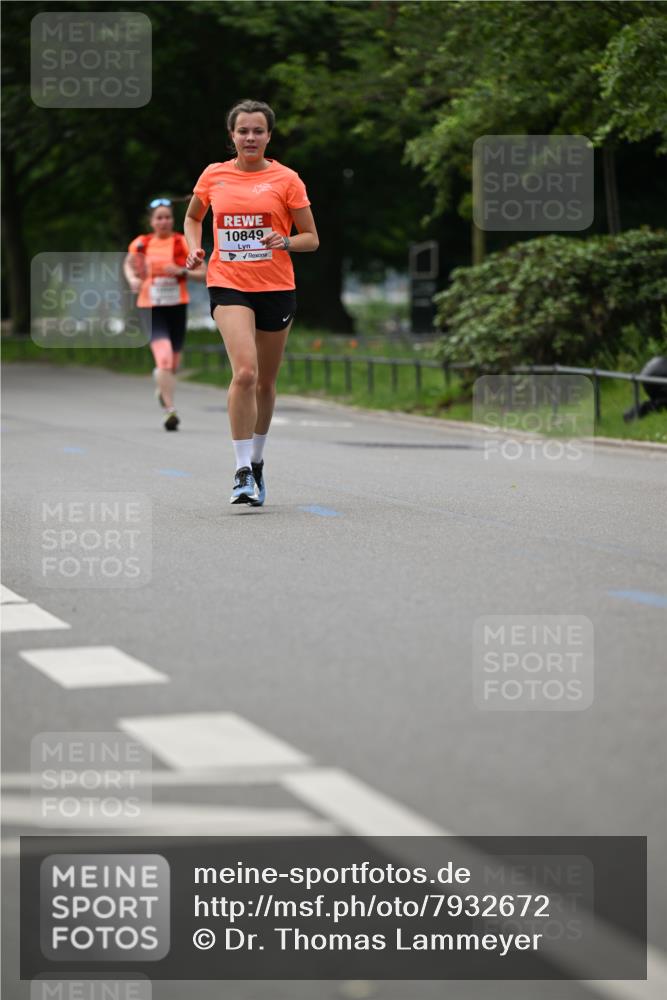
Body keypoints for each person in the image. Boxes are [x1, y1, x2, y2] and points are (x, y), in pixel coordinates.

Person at [183, 99, 319, 504]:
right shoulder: (213, 175)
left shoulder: (287, 179)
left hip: (276, 287)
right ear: (232, 136)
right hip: (228, 284)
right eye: (243, 131)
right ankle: (241, 470)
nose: (250, 137)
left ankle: (257, 461)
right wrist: (194, 248)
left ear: (269, 136)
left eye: (258, 131)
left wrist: (286, 240)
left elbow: (311, 238)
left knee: (265, 381)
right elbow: (193, 217)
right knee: (244, 372)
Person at [124, 198, 205, 431]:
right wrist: (132, 278)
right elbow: (129, 264)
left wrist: (181, 271)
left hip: (177, 306)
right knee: (165, 358)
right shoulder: (141, 244)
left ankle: (162, 385)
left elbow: (204, 272)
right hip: (150, 308)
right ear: (151, 222)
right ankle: (170, 411)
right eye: (159, 217)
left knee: (173, 364)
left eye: (167, 217)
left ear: (173, 220)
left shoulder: (181, 242)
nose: (164, 221)